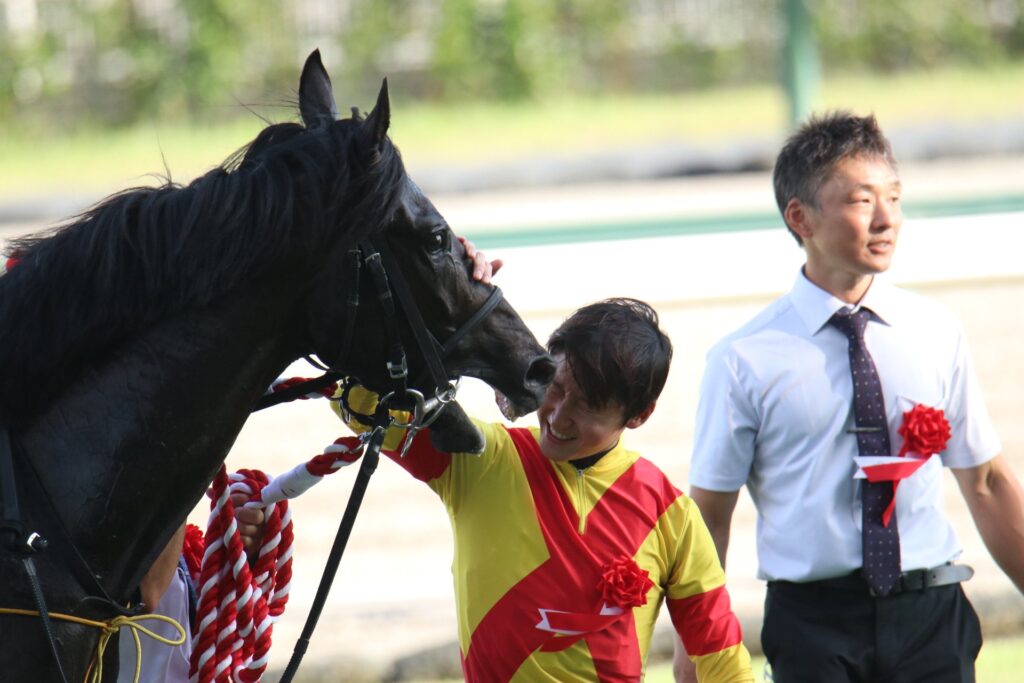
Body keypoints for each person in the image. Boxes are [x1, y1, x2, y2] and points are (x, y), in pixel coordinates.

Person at [679, 111, 1024, 682]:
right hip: (812, 625)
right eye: (862, 201)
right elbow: (710, 519)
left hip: (931, 615)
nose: (887, 219)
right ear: (800, 217)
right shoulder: (744, 359)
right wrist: (696, 656)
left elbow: (986, 481)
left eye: (894, 197)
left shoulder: (936, 331)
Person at [337, 297, 753, 682]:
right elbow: (359, 403)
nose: (558, 415)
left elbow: (718, 651)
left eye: (587, 404)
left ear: (639, 415)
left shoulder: (672, 514)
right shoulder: (479, 458)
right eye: (555, 387)